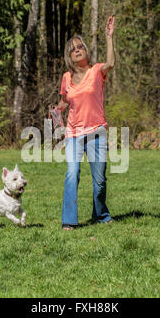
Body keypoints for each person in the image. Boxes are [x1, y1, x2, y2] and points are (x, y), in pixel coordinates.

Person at [52, 15, 115, 230]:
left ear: (86, 51)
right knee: (72, 174)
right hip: (74, 133)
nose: (77, 49)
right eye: (73, 48)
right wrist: (56, 111)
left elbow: (111, 63)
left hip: (96, 131)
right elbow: (64, 102)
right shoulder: (66, 78)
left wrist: (109, 37)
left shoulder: (97, 71)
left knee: (99, 182)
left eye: (81, 46)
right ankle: (69, 220)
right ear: (69, 56)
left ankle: (101, 215)